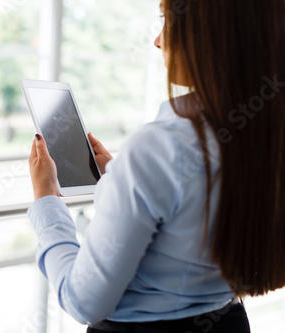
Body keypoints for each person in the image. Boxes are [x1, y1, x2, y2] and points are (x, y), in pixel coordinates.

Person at [27, 0, 285, 332]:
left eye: (168, 20)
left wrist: (46, 200)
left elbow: (82, 300)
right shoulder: (266, 136)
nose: (158, 40)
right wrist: (119, 177)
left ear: (213, 32)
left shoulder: (159, 149)